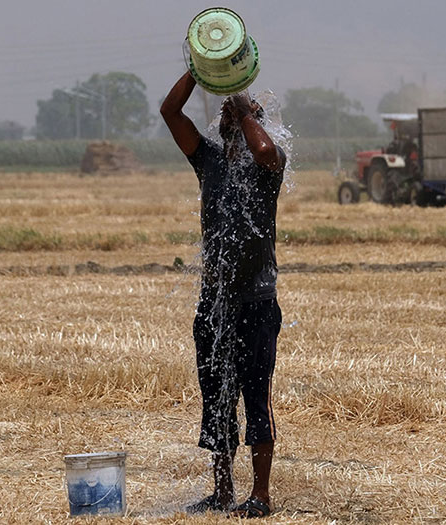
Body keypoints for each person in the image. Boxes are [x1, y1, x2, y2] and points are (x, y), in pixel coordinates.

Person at [160, 71, 286, 519]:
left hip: (256, 301)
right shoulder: (208, 161)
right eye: (227, 121)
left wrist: (240, 98)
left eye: (241, 120)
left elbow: (265, 147)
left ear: (255, 121)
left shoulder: (269, 166)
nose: (230, 125)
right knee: (215, 396)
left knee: (255, 397)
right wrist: (199, 70)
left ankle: (261, 496)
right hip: (214, 302)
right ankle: (222, 491)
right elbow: (170, 112)